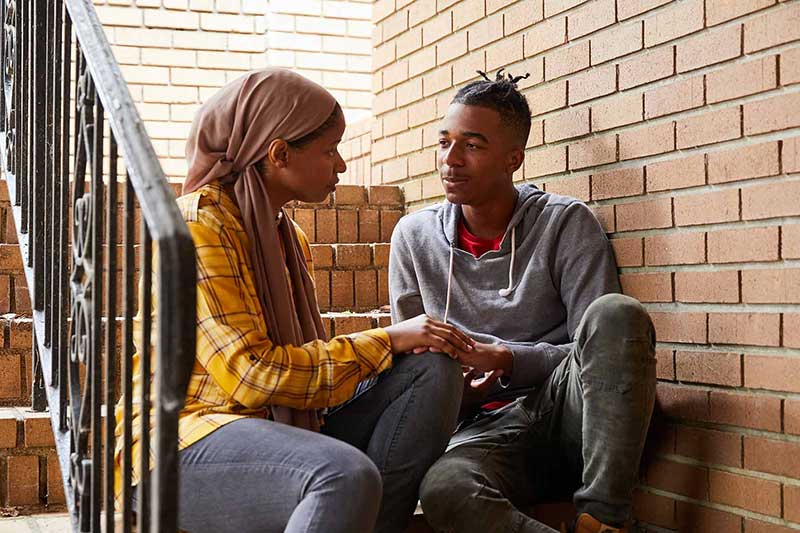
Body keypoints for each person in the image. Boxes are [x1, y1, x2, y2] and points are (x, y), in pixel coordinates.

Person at [113, 68, 470, 533]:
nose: (341, 165)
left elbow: (298, 372)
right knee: (340, 475)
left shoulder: (285, 235)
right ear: (279, 153)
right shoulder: (197, 226)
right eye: (329, 151)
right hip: (182, 439)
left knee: (432, 371)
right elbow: (252, 375)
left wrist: (404, 349)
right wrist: (387, 339)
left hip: (279, 426)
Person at [388, 70, 657, 533]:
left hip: (567, 413)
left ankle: (604, 519)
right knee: (445, 489)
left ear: (514, 158)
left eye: (472, 145)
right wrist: (457, 395)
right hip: (485, 433)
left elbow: (598, 352)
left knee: (616, 313)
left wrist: (509, 359)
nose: (450, 160)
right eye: (443, 142)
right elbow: (412, 369)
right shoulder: (414, 238)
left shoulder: (564, 224)